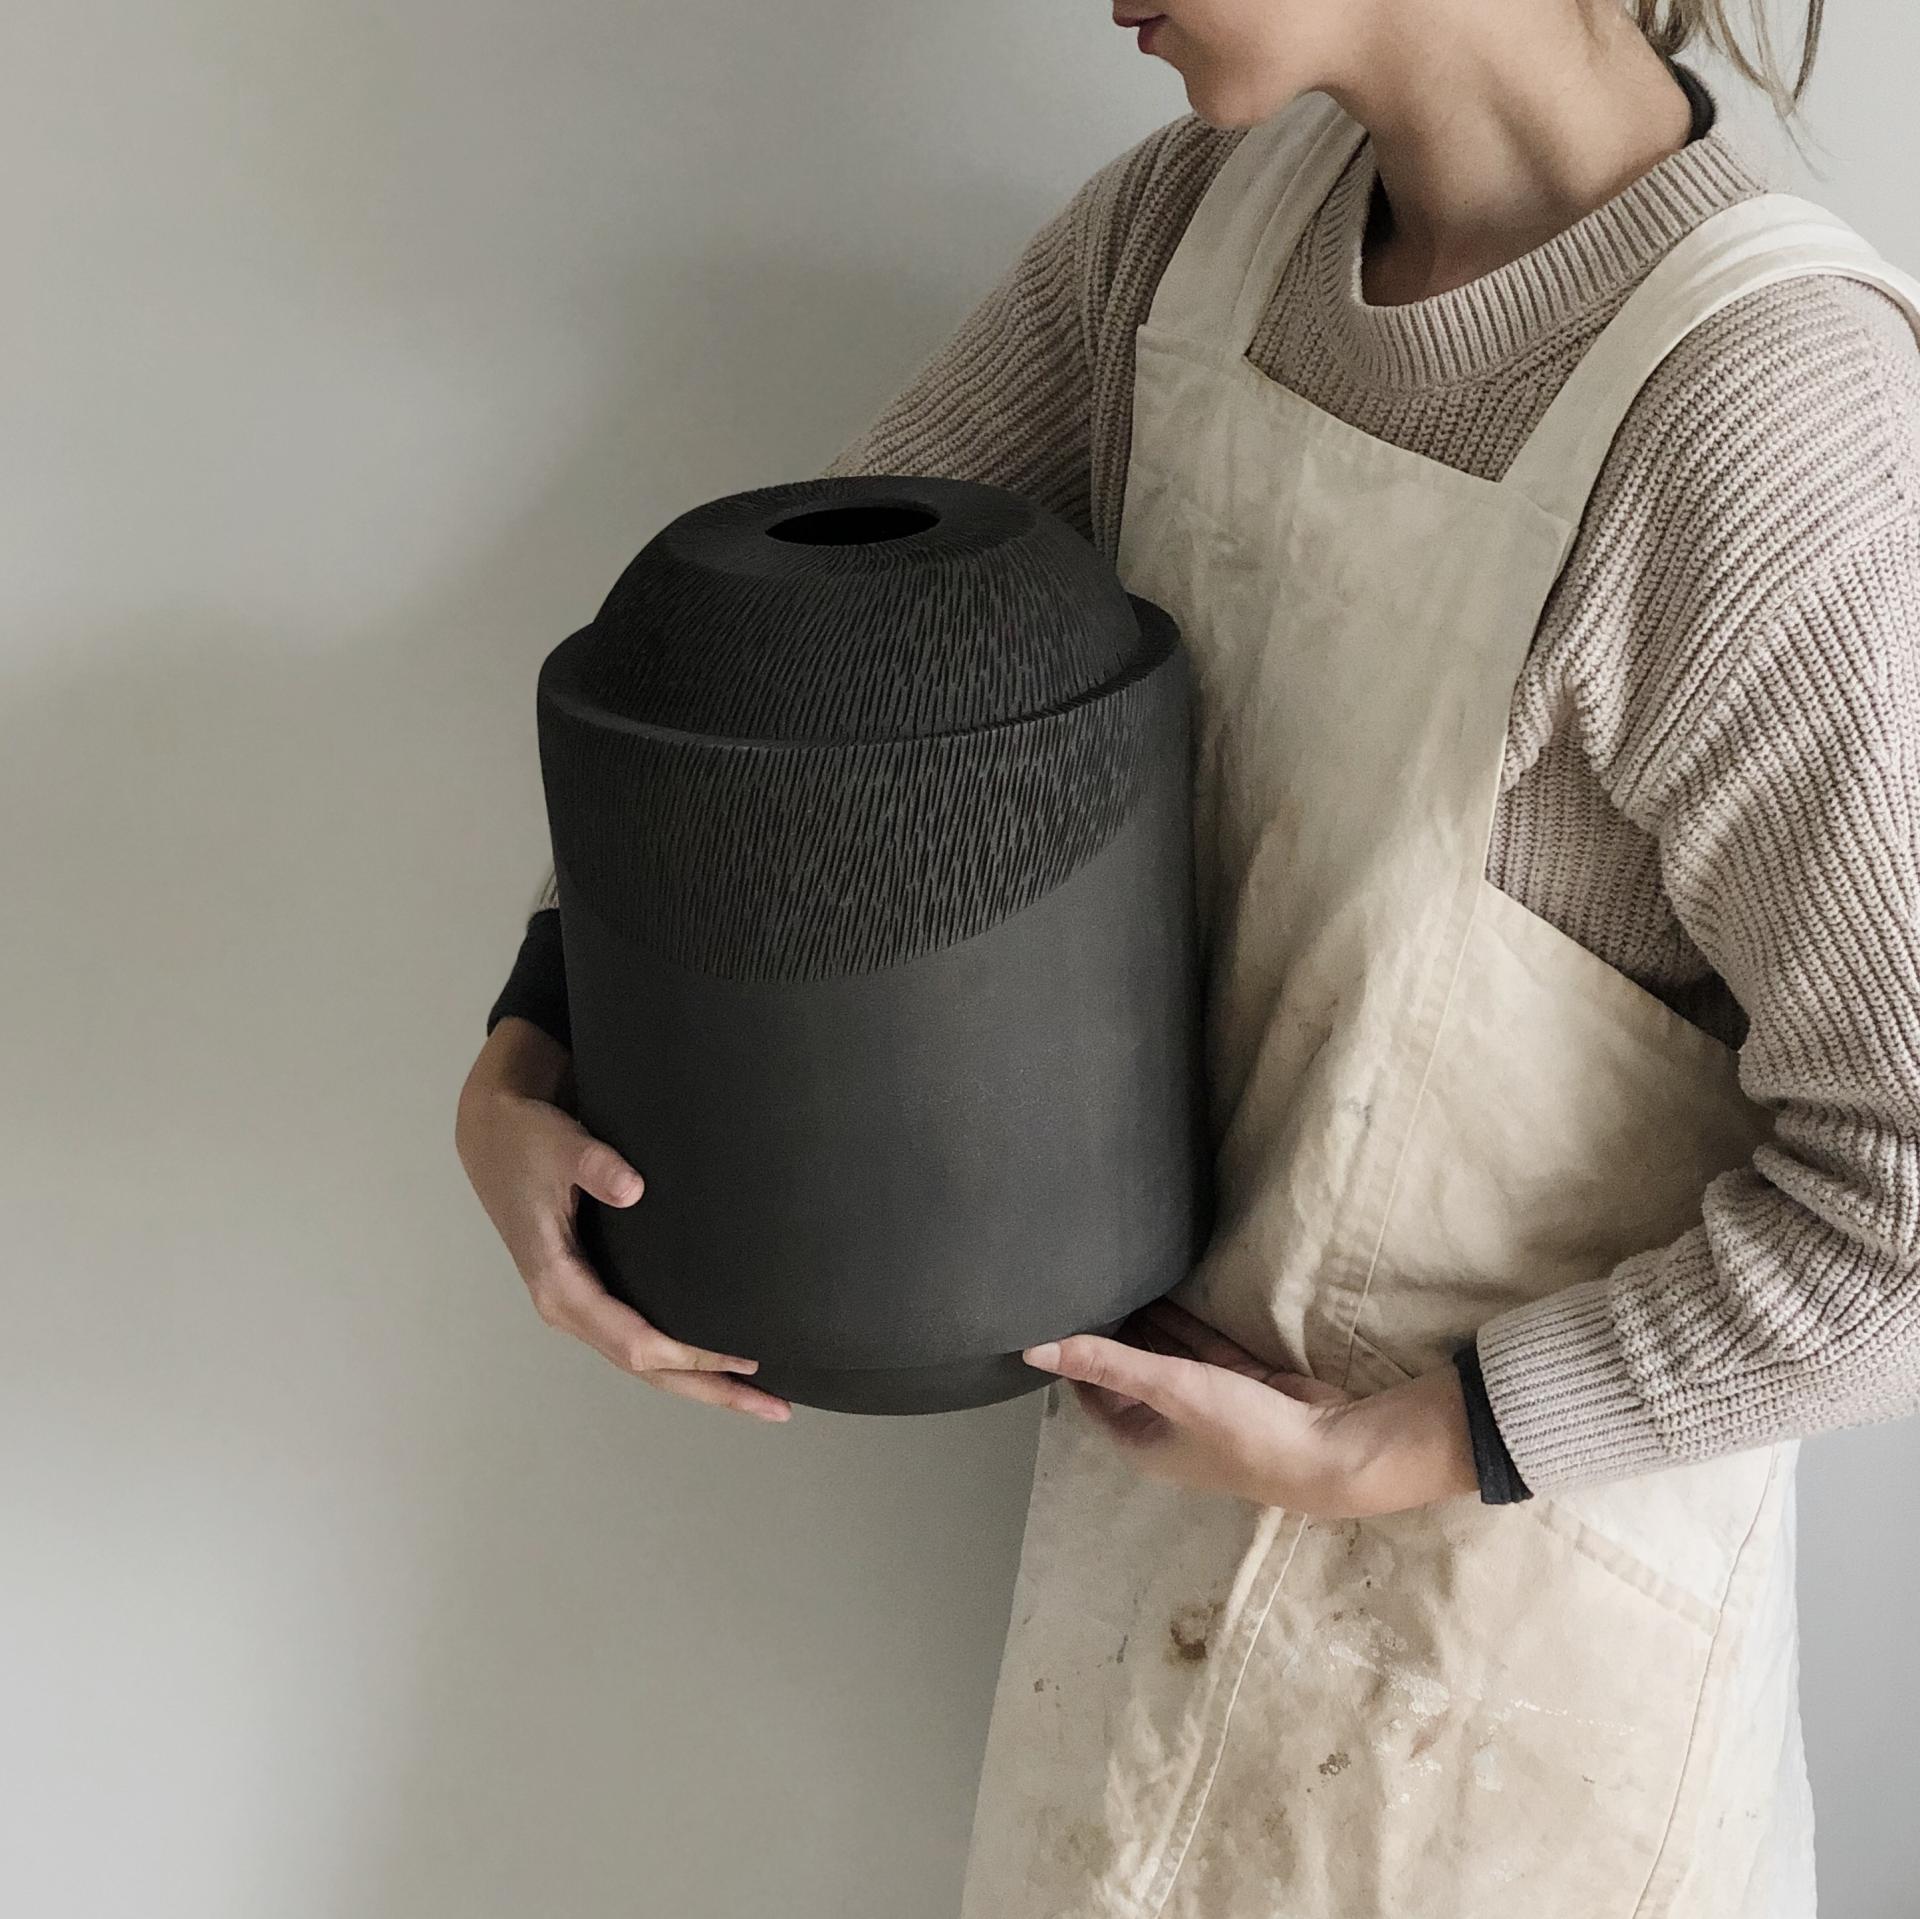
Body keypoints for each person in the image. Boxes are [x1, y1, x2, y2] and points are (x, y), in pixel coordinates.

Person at [456, 0, 1920, 1908]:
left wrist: (1403, 1448)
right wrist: (539, 1036)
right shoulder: (1183, 246)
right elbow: (802, 691)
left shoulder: (1768, 426)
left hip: (1510, 1701)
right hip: (1143, 1602)